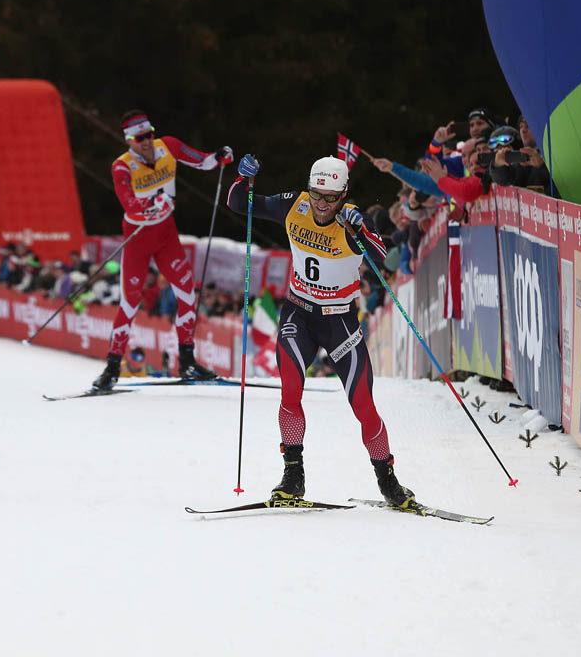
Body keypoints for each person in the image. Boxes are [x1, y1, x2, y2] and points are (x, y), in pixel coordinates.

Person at [226, 154, 416, 508]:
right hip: (298, 314)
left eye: (331, 197)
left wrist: (361, 229)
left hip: (340, 322)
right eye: (317, 194)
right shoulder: (295, 206)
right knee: (290, 394)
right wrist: (242, 177)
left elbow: (381, 255)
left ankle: (388, 481)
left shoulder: (350, 221)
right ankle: (292, 475)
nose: (322, 204)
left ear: (344, 194)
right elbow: (239, 203)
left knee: (363, 406)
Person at [92, 110, 234, 391]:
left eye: (148, 134)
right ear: (129, 141)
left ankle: (188, 361)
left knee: (187, 295)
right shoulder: (122, 167)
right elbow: (129, 204)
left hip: (167, 237)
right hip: (138, 240)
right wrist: (152, 205)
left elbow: (203, 162)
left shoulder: (167, 146)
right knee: (130, 304)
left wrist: (219, 157)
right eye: (138, 138)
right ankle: (111, 368)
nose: (145, 141)